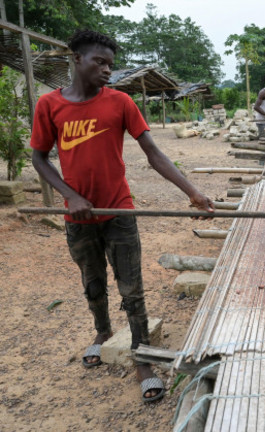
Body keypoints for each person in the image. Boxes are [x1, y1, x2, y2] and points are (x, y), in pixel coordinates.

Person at [30, 30, 214, 404]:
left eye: (111, 64)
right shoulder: (50, 105)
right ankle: (101, 332)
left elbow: (153, 153)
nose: (107, 70)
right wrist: (70, 195)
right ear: (77, 59)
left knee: (132, 288)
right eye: (100, 62)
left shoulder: (121, 103)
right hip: (78, 216)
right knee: (92, 282)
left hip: (119, 211)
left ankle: (142, 356)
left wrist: (192, 191)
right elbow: (38, 157)